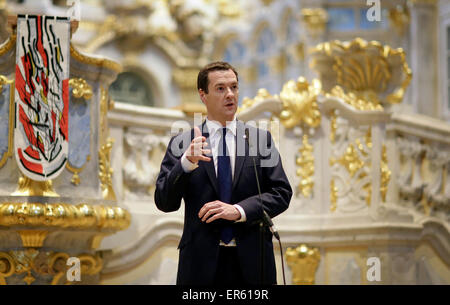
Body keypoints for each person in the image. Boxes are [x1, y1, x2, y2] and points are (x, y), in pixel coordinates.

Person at [154, 61, 292, 285]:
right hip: (200, 264)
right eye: (220, 88)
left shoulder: (259, 139)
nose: (230, 94)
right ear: (203, 94)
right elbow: (164, 201)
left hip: (253, 262)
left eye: (234, 87)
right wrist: (186, 164)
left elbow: (281, 193)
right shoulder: (183, 142)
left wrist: (238, 210)